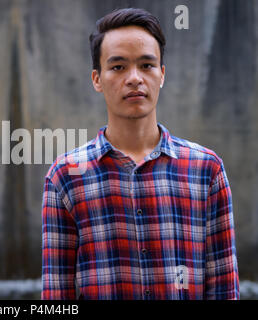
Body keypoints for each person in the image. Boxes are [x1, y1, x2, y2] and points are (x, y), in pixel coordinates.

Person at [41, 8, 239, 300]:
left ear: (162, 75)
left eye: (147, 65)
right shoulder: (66, 176)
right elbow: (56, 296)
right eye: (118, 67)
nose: (134, 78)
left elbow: (224, 287)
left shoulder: (206, 169)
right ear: (97, 79)